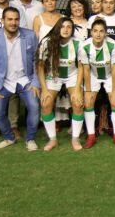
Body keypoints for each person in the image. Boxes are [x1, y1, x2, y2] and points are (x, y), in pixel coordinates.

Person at [0, 7, 41, 151]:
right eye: (9, 19)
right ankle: (9, 137)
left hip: (25, 80)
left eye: (16, 19)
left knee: (34, 106)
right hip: (3, 83)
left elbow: (36, 61)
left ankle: (30, 139)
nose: (13, 22)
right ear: (2, 20)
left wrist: (35, 82)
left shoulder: (30, 35)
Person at [36, 18, 84, 151]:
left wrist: (77, 89)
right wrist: (44, 89)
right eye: (63, 26)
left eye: (69, 27)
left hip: (73, 75)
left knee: (77, 102)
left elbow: (81, 67)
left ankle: (75, 138)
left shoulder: (78, 43)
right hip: (53, 76)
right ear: (57, 28)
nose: (66, 29)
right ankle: (53, 139)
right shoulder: (47, 42)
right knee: (46, 102)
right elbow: (40, 67)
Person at [78, 19, 115, 148]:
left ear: (105, 34)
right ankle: (91, 136)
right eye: (95, 31)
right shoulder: (84, 46)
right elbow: (86, 69)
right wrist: (87, 90)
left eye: (101, 31)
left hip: (109, 75)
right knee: (88, 101)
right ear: (91, 32)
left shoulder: (112, 44)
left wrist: (114, 90)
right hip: (93, 75)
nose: (98, 34)